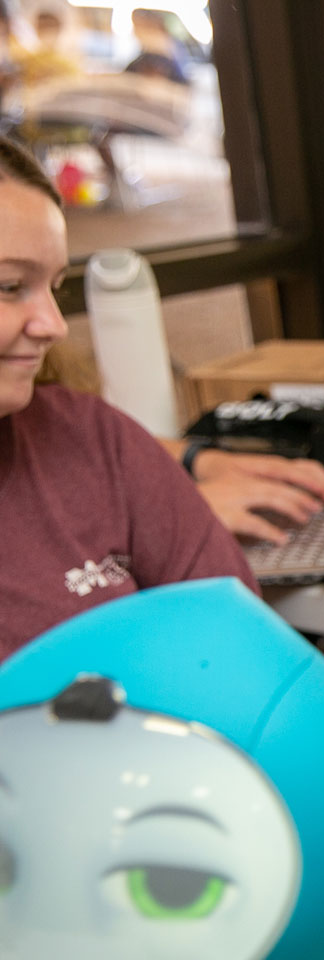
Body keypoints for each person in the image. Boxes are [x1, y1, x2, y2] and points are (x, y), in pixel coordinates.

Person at [0, 130, 261, 657]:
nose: (53, 325)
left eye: (54, 286)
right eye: (9, 287)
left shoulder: (89, 435)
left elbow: (238, 644)